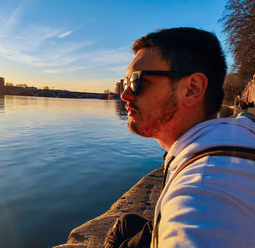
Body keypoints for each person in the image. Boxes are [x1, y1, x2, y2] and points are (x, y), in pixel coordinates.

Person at [104, 27, 255, 248]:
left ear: (192, 88)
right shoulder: (237, 131)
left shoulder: (200, 201)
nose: (124, 94)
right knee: (127, 223)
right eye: (125, 82)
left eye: (136, 81)